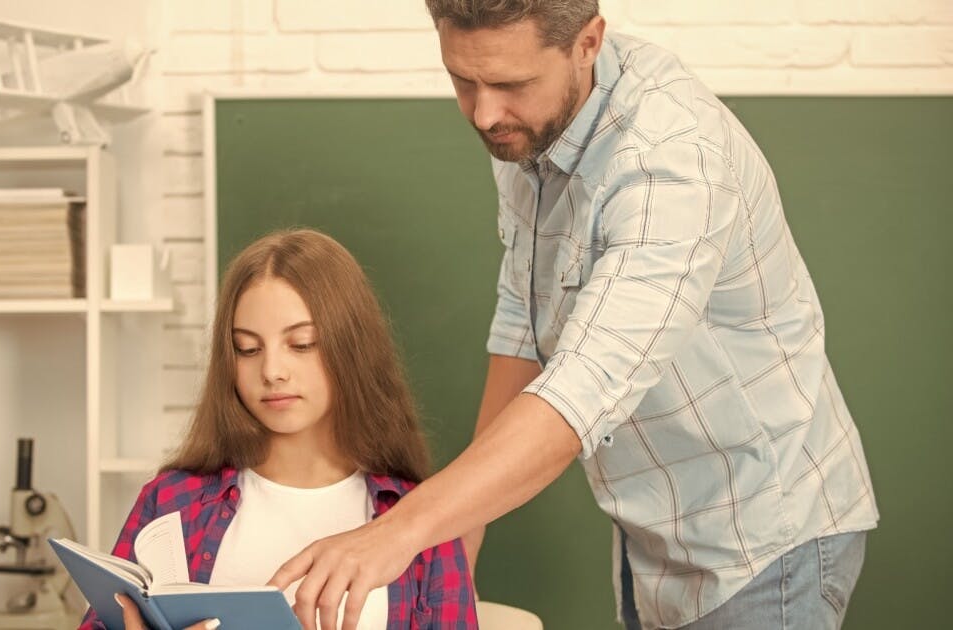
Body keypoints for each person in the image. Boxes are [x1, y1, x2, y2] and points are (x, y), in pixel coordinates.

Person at [269, 2, 879, 630]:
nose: (484, 113)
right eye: (462, 80)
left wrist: (394, 534)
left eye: (509, 85)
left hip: (761, 537)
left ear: (587, 43)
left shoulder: (672, 164)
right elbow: (523, 321)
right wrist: (459, 537)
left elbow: (581, 389)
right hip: (650, 523)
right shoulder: (530, 122)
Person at [79, 228, 478, 630]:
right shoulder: (170, 501)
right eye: (248, 349)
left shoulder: (418, 521)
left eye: (301, 344)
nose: (271, 372)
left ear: (351, 348)